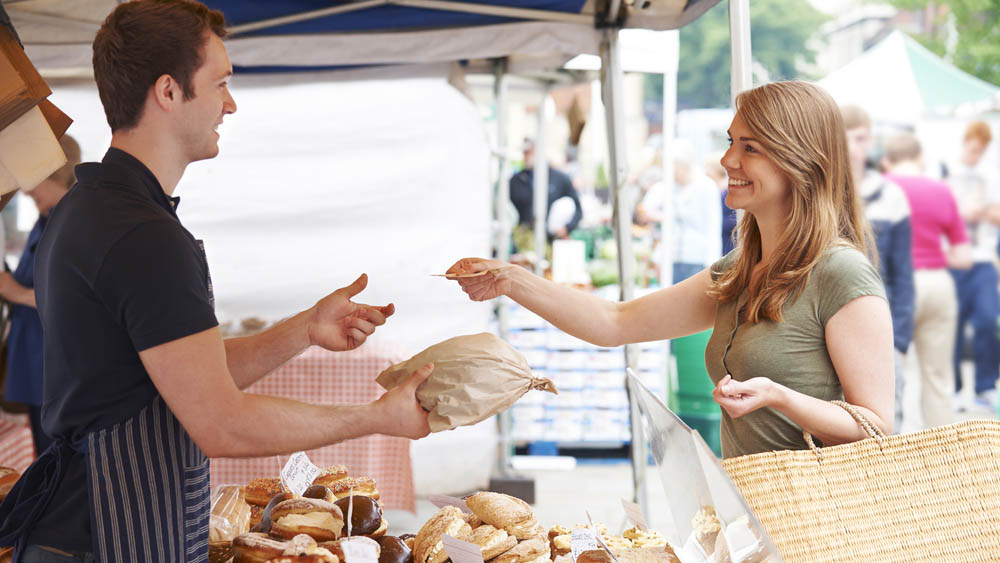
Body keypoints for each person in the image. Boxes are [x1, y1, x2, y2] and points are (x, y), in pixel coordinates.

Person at [0, 2, 432, 561]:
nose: (230, 103)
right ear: (168, 91)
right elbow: (222, 423)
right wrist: (377, 417)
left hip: (93, 527)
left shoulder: (94, 207)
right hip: (108, 535)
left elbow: (185, 376)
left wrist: (305, 328)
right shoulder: (140, 234)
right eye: (220, 83)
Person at [449, 81, 894, 458]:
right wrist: (510, 278)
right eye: (730, 141)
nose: (727, 160)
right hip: (752, 515)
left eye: (750, 147)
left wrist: (781, 398)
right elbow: (616, 322)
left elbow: (877, 428)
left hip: (817, 528)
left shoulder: (841, 272)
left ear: (800, 159)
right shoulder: (739, 269)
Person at [883, 131, 972, 428]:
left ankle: (888, 456)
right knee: (937, 378)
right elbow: (964, 256)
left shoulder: (881, 189)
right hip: (936, 283)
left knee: (888, 376)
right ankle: (941, 458)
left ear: (887, 161)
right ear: (920, 157)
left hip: (892, 288)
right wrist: (933, 253)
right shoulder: (942, 190)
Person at [0, 135, 81, 457]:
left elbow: (72, 298)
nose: (25, 189)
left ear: (54, 172)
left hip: (54, 366)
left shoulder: (73, 220)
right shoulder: (46, 216)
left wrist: (14, 291)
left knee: (57, 459)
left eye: (32, 180)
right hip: (34, 361)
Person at [841, 105, 915, 432]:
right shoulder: (822, 194)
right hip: (835, 325)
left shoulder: (891, 195)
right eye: (854, 138)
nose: (861, 147)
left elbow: (903, 272)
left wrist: (899, 338)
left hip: (882, 325)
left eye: (866, 138)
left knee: (885, 426)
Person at [943, 121, 1000, 410]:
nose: (976, 154)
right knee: (953, 324)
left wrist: (987, 213)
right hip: (953, 260)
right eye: (973, 147)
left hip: (983, 259)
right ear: (965, 142)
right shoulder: (946, 172)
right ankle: (953, 389)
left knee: (988, 320)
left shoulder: (991, 175)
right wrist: (960, 213)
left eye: (982, 150)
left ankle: (985, 386)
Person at [635, 141, 722, 283]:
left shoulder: (706, 187)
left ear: (683, 166)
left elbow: (713, 227)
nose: (670, 171)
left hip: (697, 259)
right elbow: (644, 210)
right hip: (670, 258)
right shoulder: (665, 187)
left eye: (673, 167)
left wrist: (712, 264)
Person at [509, 138, 583, 251]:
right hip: (523, 242)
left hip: (552, 243)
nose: (526, 156)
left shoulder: (560, 179)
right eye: (524, 153)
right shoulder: (515, 181)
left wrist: (566, 228)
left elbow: (578, 210)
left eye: (530, 152)